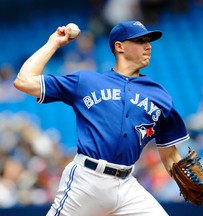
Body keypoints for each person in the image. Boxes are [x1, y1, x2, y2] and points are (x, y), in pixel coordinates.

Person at [14, 20, 190, 216]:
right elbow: (23, 81)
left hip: (127, 185)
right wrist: (53, 43)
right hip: (87, 180)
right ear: (119, 46)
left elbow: (170, 155)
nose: (148, 46)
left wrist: (188, 181)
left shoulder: (159, 95)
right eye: (140, 41)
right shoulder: (87, 81)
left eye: (148, 41)